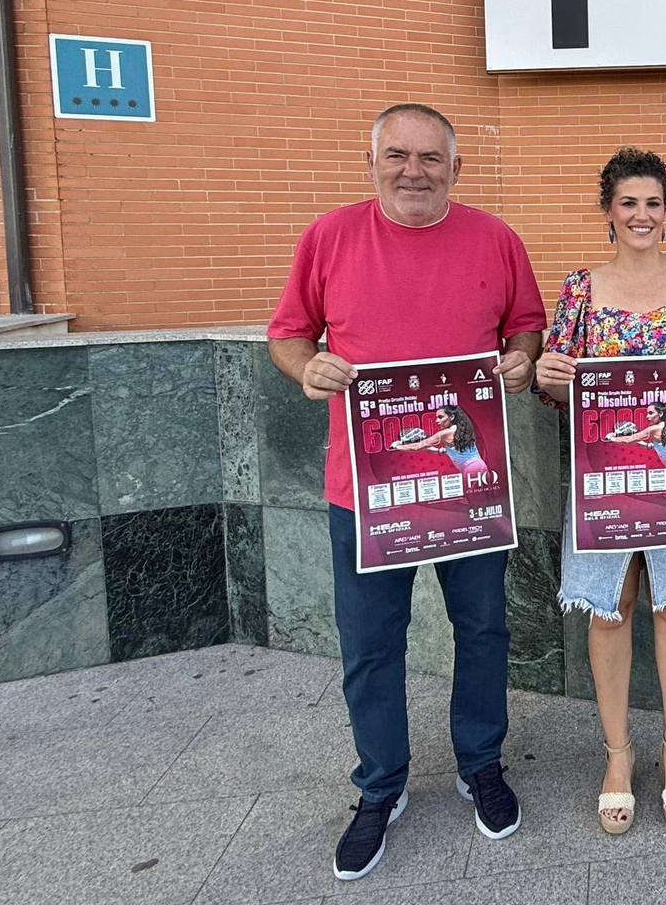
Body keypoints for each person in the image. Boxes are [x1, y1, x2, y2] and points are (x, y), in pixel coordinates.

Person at [266, 103, 546, 881]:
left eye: (430, 158)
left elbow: (526, 325)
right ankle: (380, 787)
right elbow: (289, 333)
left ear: (457, 169)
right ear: (373, 163)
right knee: (370, 648)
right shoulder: (328, 238)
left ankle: (480, 764)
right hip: (366, 490)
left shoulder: (496, 240)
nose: (413, 170)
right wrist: (307, 369)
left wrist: (520, 362)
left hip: (467, 485)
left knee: (484, 632)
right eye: (397, 155)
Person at [534, 147, 666, 835]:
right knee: (612, 608)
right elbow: (551, 383)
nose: (642, 215)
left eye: (653, 202)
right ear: (608, 213)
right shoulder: (579, 290)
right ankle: (618, 757)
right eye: (629, 203)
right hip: (604, 477)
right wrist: (551, 375)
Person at [392, 404, 490, 479]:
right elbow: (428, 448)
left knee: (476, 501)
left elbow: (417, 446)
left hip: (471, 469)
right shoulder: (462, 429)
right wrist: (439, 451)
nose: (436, 421)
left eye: (440, 417)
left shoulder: (444, 434)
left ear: (451, 417)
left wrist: (398, 446)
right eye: (436, 417)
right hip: (480, 466)